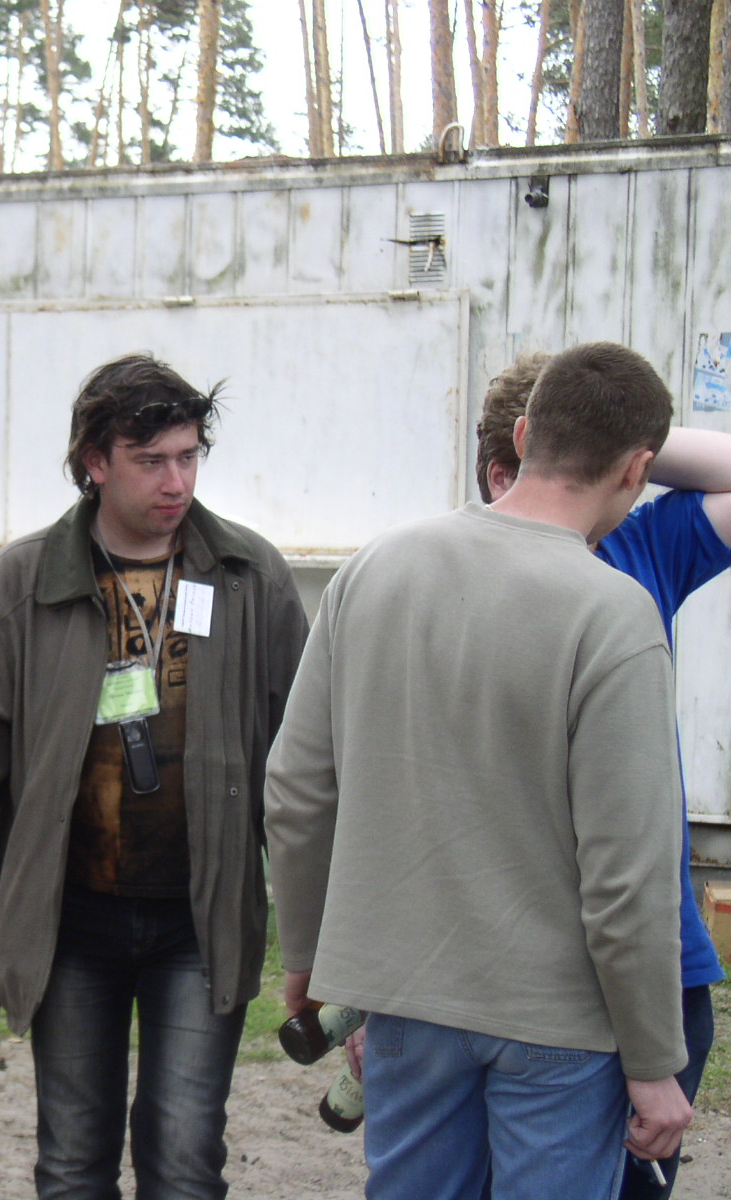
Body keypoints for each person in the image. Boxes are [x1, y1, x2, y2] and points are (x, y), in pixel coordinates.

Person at [265, 341, 695, 1200]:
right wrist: (654, 1064)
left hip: (404, 1000)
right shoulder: (615, 614)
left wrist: (309, 956)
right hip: (558, 1021)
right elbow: (627, 875)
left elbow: (297, 790)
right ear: (637, 471)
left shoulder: (374, 569)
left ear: (524, 434)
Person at [0, 353, 309, 1199]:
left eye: (188, 456)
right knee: (72, 1163)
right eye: (150, 461)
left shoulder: (249, 577)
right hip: (69, 922)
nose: (176, 482)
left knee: (184, 1159)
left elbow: (307, 768)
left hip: (198, 922)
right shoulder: (22, 583)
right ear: (95, 461)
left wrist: (323, 939)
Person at [474, 351, 731, 1199]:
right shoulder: (453, 571)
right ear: (502, 471)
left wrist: (631, 440)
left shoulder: (636, 545)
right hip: (516, 969)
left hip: (658, 962)